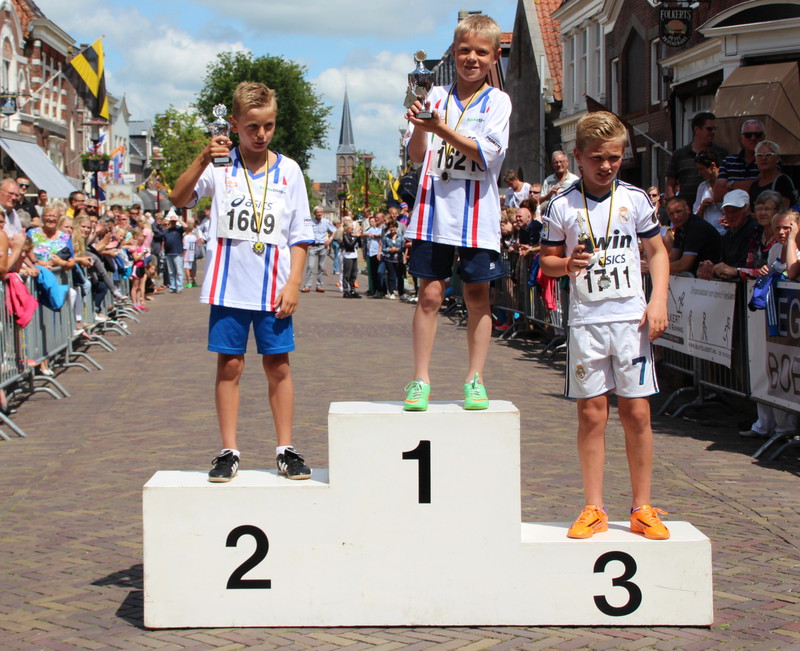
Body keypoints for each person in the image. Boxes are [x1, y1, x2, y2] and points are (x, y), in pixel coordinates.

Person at [170, 81, 313, 483]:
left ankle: (285, 448)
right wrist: (204, 156)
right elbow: (179, 198)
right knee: (230, 365)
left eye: (268, 125)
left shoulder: (289, 170)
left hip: (274, 288)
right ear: (234, 125)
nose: (261, 134)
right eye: (252, 127)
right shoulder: (219, 166)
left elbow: (300, 234)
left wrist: (294, 283)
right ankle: (228, 450)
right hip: (229, 285)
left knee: (278, 366)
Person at [539, 110, 670, 540]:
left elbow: (657, 252)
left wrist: (658, 300)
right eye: (597, 158)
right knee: (592, 414)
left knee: (637, 412)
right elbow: (547, 261)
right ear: (578, 156)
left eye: (614, 157)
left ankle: (642, 506)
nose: (607, 165)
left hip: (630, 320)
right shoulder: (561, 204)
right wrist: (566, 264)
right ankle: (593, 506)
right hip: (587, 321)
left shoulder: (635, 198)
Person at [402, 13, 510, 411]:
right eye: (464, 50)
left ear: (494, 57)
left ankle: (475, 377)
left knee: (477, 294)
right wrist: (420, 124)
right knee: (429, 295)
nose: (471, 59)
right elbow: (417, 155)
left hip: (477, 215)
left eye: (481, 52)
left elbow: (486, 154)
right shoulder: (432, 94)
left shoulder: (498, 101)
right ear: (455, 51)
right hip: (433, 212)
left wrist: (441, 129)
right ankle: (420, 379)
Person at [697, 189, 762, 281]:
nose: (731, 216)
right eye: (727, 211)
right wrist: (711, 268)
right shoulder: (729, 234)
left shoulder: (756, 231)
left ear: (747, 211)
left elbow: (750, 266)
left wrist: (727, 270)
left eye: (735, 211)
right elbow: (724, 263)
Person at [665, 111, 727, 202]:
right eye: (709, 129)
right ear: (697, 129)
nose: (713, 132)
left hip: (714, 207)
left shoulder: (722, 153)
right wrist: (674, 205)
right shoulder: (680, 155)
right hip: (687, 209)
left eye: (714, 129)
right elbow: (670, 184)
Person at [666, 196, 721, 276]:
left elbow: (684, 265)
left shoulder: (696, 227)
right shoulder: (680, 227)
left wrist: (655, 269)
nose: (675, 217)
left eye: (678, 211)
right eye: (671, 214)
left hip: (713, 277)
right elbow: (673, 258)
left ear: (688, 210)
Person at [713, 120, 766, 202]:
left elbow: (766, 187)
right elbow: (718, 194)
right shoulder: (728, 161)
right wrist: (755, 183)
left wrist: (731, 184)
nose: (753, 138)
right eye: (748, 135)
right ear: (742, 137)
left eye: (757, 134)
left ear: (764, 137)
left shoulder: (770, 160)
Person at [748, 140, 796, 209]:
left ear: (777, 158)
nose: (764, 158)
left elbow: (783, 211)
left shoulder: (782, 181)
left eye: (768, 155)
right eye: (759, 155)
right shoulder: (754, 185)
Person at [301, 206, 334, 293]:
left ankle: (319, 285)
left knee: (321, 266)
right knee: (310, 266)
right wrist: (307, 243)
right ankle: (307, 285)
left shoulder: (326, 222)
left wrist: (330, 239)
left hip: (323, 246)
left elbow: (334, 231)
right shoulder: (310, 222)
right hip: (313, 246)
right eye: (317, 212)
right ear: (314, 213)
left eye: (320, 212)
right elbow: (305, 232)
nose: (319, 214)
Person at [693, 149, 725, 235]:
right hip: (707, 234)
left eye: (702, 169)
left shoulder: (727, 184)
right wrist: (702, 207)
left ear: (712, 166)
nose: (699, 173)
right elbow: (696, 216)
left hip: (725, 233)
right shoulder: (702, 187)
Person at [162, 211, 185, 292]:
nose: (173, 223)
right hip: (168, 253)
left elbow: (186, 227)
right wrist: (163, 250)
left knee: (179, 271)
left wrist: (179, 220)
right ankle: (173, 287)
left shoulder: (179, 229)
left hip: (177, 252)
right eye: (171, 221)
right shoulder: (167, 231)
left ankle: (179, 286)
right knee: (171, 272)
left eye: (174, 221)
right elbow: (164, 241)